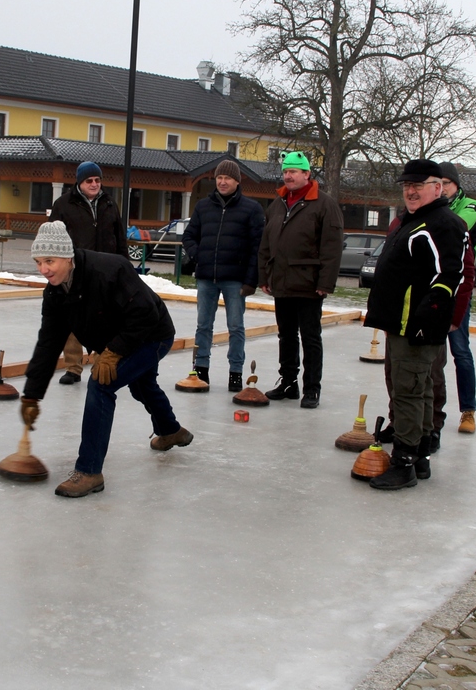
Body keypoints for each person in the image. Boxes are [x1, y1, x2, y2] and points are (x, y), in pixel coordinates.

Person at [19, 221, 193, 497]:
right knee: (142, 385)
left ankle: (89, 471)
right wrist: (32, 394)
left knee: (101, 384)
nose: (43, 269)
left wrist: (113, 352)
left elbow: (145, 314)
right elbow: (48, 344)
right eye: (38, 262)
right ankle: (171, 431)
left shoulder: (108, 270)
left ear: (67, 256)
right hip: (123, 337)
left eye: (49, 261)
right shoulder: (55, 292)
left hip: (152, 333)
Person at [362, 159, 466, 490]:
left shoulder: (442, 223)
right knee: (417, 390)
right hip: (401, 321)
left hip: (416, 324)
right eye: (407, 186)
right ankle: (419, 457)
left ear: (438, 187)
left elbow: (450, 274)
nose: (410, 191)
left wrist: (429, 315)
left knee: (408, 391)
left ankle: (403, 462)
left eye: (418, 185)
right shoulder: (415, 220)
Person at [257, 151, 343, 409]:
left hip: (308, 285)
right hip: (281, 283)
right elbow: (265, 245)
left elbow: (332, 247)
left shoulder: (324, 204)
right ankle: (288, 383)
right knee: (286, 336)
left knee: (310, 337)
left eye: (294, 171)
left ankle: (312, 389)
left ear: (307, 174)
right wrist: (264, 276)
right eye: (285, 171)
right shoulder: (277, 204)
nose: (288, 176)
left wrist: (325, 283)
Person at [182, 159, 265, 392]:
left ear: (237, 181)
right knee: (203, 325)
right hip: (207, 277)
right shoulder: (203, 207)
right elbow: (189, 236)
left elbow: (257, 248)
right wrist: (200, 255)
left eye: (227, 178)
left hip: (235, 279)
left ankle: (236, 372)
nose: (222, 182)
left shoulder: (251, 209)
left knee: (236, 326)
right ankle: (200, 368)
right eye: (219, 178)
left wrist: (251, 280)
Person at [48, 161, 125, 385]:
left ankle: (101, 363)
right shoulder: (63, 204)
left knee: (104, 319)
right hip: (75, 269)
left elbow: (119, 236)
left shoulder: (109, 203)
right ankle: (73, 367)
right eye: (89, 180)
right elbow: (52, 237)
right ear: (80, 182)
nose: (94, 184)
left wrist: (123, 265)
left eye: (97, 180)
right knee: (72, 319)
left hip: (105, 269)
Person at [439, 161, 476, 438]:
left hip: (458, 287)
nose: (442, 189)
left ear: (457, 186)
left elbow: (458, 226)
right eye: (437, 184)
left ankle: (468, 410)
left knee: (460, 350)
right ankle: (430, 408)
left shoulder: (471, 206)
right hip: (431, 284)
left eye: (447, 184)